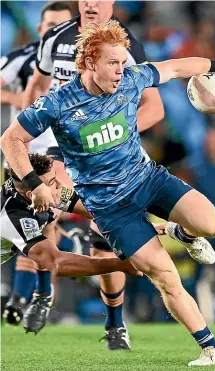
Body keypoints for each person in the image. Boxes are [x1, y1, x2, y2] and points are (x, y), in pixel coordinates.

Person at [1, 21, 215, 365]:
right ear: (89, 63)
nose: (120, 70)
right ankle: (210, 348)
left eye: (123, 62)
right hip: (111, 209)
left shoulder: (133, 78)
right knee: (165, 276)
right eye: (113, 63)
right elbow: (10, 139)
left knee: (213, 226)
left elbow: (175, 67)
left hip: (148, 180)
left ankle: (182, 232)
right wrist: (34, 184)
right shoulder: (56, 103)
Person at [22, 0, 164, 350]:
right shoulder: (55, 37)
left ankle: (115, 324)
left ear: (111, 3)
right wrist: (28, 142)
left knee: (105, 239)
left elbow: (155, 108)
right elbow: (38, 87)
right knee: (43, 209)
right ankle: (42, 291)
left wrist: (114, 134)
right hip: (58, 149)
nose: (89, 3)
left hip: (107, 152)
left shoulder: (128, 44)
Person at [0, 152, 142, 333]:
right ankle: (36, 296)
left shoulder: (41, 191)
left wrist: (158, 228)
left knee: (48, 226)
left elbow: (100, 212)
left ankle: (42, 294)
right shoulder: (14, 219)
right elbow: (58, 264)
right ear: (32, 194)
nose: (60, 184)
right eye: (52, 182)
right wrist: (119, 264)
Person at [0, 1, 74, 326]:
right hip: (26, 153)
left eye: (63, 26)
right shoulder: (22, 59)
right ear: (40, 27)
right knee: (34, 220)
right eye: (50, 25)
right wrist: (19, 99)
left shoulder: (84, 59)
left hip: (68, 151)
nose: (56, 32)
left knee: (48, 217)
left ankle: (28, 295)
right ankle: (31, 294)